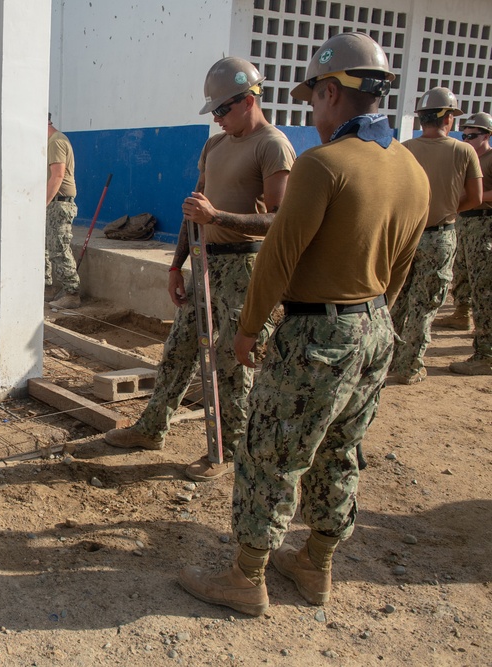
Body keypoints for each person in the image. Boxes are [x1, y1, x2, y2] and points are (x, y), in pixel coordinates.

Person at [178, 32, 429, 616]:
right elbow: (402, 267)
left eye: (315, 96)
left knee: (270, 452)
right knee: (341, 447)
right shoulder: (412, 170)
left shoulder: (324, 165)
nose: (312, 109)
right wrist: (373, 314)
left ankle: (246, 576)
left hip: (317, 334)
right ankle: (316, 564)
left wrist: (247, 331)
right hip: (374, 328)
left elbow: (278, 257)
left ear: (334, 93)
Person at [104, 57, 295, 482]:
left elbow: (280, 221)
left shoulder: (273, 145)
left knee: (230, 364)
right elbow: (195, 211)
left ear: (248, 100)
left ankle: (226, 451)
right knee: (178, 351)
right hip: (204, 264)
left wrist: (218, 219)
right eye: (214, 113)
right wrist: (176, 265)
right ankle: (152, 428)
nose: (218, 119)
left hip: (244, 267)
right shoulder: (214, 146)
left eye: (223, 110)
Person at [387, 88, 482, 384]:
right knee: (424, 305)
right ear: (448, 118)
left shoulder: (403, 148)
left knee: (395, 299)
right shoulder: (463, 151)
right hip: (440, 238)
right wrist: (448, 209)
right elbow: (475, 198)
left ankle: (384, 359)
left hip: (406, 236)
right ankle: (409, 367)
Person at [448, 112, 492, 375]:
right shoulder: (468, 158)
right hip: (466, 222)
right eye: (463, 135)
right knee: (462, 274)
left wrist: (476, 196)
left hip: (484, 223)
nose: (466, 139)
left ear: (486, 135)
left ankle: (485, 354)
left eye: (472, 135)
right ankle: (461, 314)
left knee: (484, 289)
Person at [45, 113, 82, 310]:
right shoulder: (54, 141)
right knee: (47, 247)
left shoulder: (56, 142)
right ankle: (48, 288)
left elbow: (57, 176)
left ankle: (71, 293)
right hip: (55, 203)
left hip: (59, 203)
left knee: (58, 248)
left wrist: (43, 203)